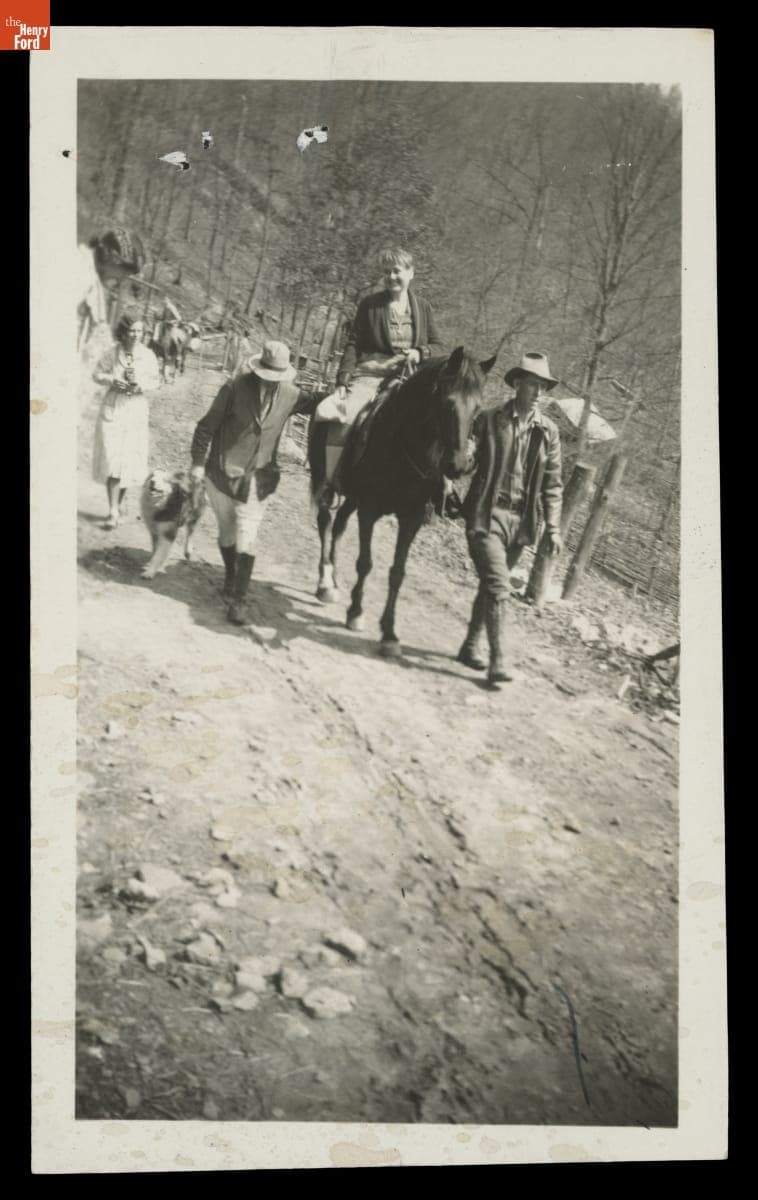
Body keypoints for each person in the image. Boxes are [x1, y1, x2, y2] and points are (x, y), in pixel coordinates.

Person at [190, 340, 328, 625]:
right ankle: (231, 575)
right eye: (267, 376)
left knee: (247, 535)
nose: (271, 382)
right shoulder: (233, 388)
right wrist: (197, 463)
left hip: (260, 477)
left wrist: (344, 395)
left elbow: (316, 401)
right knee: (227, 533)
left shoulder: (290, 394)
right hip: (223, 473)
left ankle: (238, 600)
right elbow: (206, 427)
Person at [456, 352, 563, 686]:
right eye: (533, 385)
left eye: (543, 387)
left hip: (521, 522)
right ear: (517, 384)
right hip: (486, 515)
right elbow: (465, 457)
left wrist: (554, 527)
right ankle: (498, 662)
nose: (538, 393)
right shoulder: (489, 419)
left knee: (491, 584)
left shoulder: (548, 432)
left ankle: (470, 646)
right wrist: (458, 465)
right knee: (500, 586)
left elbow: (553, 483)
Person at [313, 247, 445, 485]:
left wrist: (419, 352)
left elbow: (437, 345)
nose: (391, 277)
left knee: (438, 422)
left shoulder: (423, 307)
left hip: (409, 377)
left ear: (411, 273)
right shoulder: (370, 305)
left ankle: (433, 490)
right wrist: (343, 380)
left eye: (397, 271)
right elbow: (353, 344)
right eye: (386, 272)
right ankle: (329, 480)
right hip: (371, 373)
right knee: (347, 417)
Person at [92, 311, 160, 529]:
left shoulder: (148, 355)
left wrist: (139, 384)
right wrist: (112, 379)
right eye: (132, 331)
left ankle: (118, 506)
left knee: (127, 463)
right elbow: (96, 374)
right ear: (122, 332)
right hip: (114, 407)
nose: (136, 335)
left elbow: (155, 381)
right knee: (113, 459)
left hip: (136, 409)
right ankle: (112, 511)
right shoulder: (113, 353)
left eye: (139, 331)